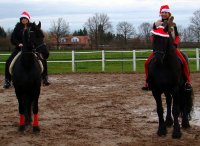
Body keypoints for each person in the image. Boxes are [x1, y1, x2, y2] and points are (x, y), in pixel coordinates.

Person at [142, 5, 192, 91]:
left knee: (184, 62)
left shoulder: (173, 25)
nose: (164, 14)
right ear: (160, 13)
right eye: (162, 12)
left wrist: (175, 44)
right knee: (147, 63)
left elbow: (177, 36)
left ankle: (187, 81)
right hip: (159, 49)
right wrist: (155, 44)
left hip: (171, 48)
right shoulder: (156, 24)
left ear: (168, 13)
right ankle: (148, 82)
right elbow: (152, 36)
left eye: (165, 12)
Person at [3, 11, 50, 89]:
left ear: (28, 19)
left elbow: (37, 35)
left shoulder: (32, 27)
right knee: (8, 61)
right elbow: (13, 38)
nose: (23, 20)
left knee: (43, 59)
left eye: (25, 18)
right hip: (20, 48)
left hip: (31, 48)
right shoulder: (17, 27)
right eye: (22, 18)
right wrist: (18, 44)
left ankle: (44, 78)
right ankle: (7, 80)